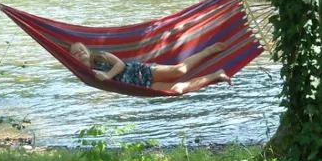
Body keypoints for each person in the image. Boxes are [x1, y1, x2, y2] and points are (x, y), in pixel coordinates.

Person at [68, 41, 231, 94]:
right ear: (72, 58)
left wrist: (108, 76)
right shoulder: (86, 73)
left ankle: (207, 51)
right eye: (75, 53)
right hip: (138, 86)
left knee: (179, 70)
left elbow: (120, 64)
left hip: (139, 72)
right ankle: (217, 75)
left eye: (82, 49)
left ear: (88, 51)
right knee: (177, 90)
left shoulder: (101, 56)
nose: (80, 53)